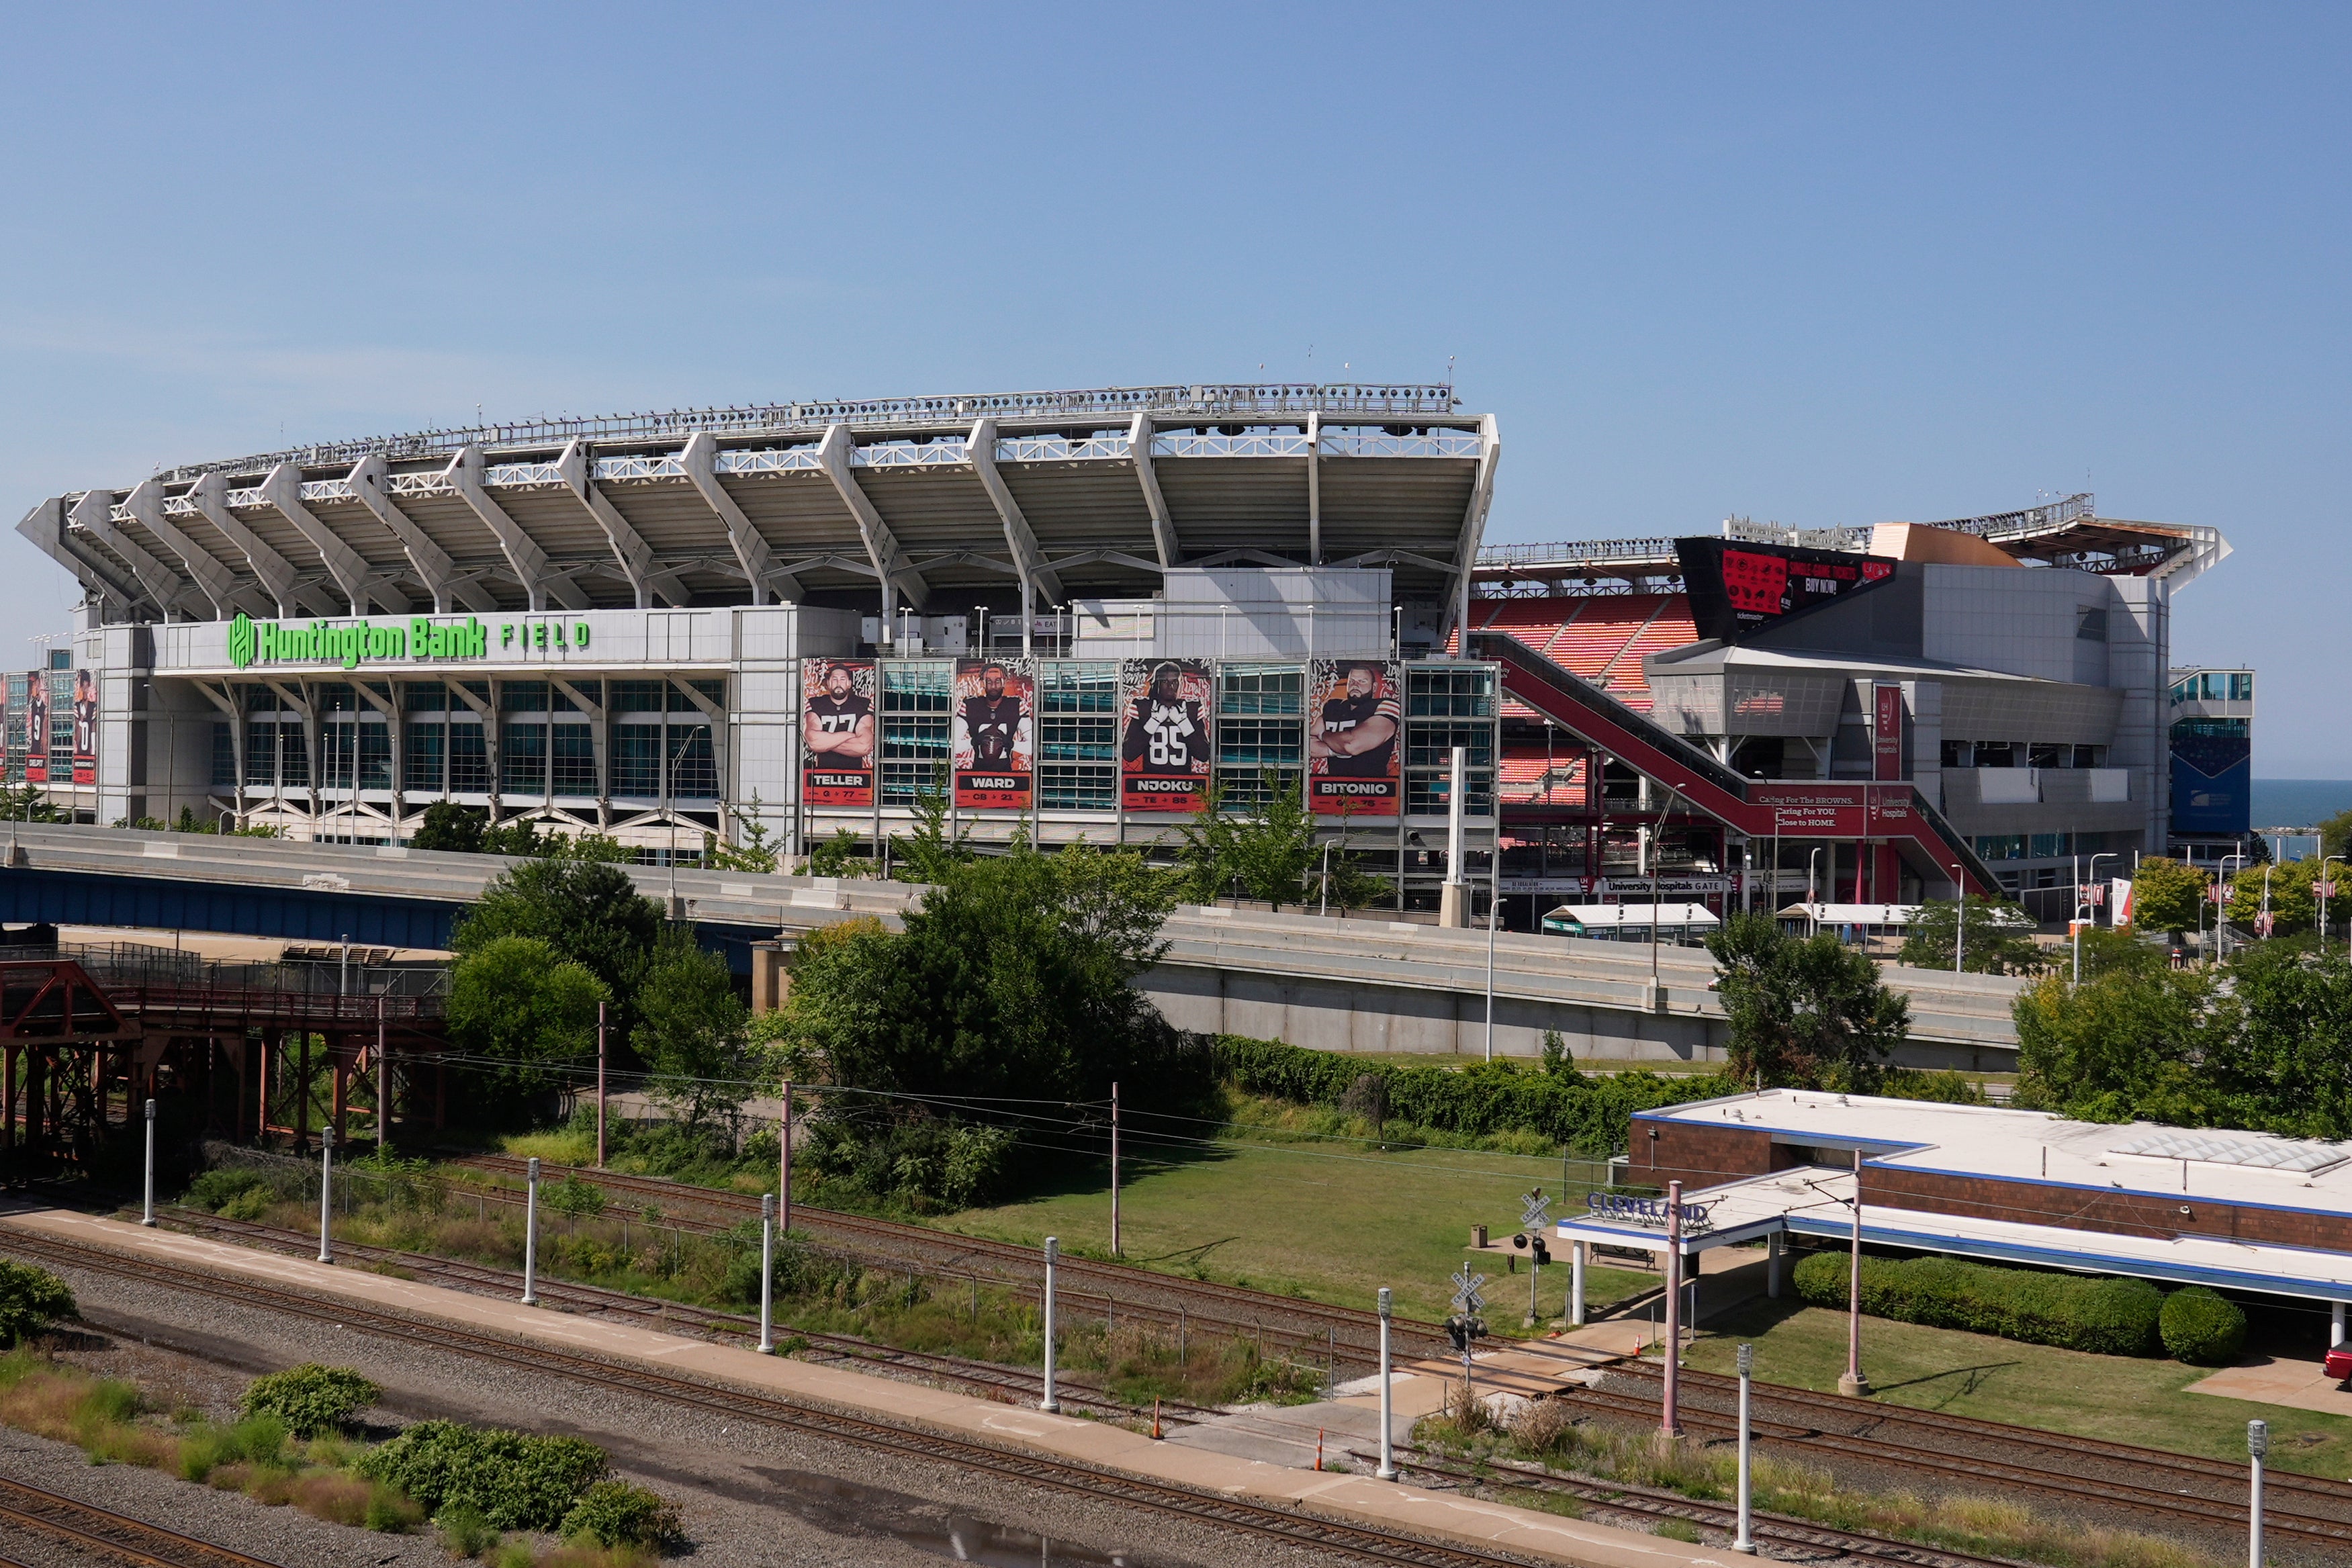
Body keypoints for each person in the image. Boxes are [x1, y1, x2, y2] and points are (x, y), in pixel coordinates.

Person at [1310, 662, 1399, 777]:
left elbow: (1351, 744)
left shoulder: (1386, 706)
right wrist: (1335, 749)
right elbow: (1309, 745)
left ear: (1374, 687)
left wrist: (1323, 736)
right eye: (1352, 681)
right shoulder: (1333, 707)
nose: (1355, 685)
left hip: (1373, 787)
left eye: (1362, 681)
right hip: (1333, 785)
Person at [1121, 661, 1205, 776]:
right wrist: (1153, 722)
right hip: (1149, 783)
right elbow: (1129, 754)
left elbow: (1204, 755)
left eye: (1174, 681)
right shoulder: (1144, 708)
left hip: (1184, 783)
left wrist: (1184, 723)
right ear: (1156, 684)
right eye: (1165, 681)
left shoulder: (1191, 709)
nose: (1171, 686)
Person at [956, 663, 1028, 770]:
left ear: (1004, 682)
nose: (993, 686)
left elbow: (1032, 746)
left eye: (998, 681)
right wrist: (974, 741)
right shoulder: (971, 705)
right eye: (989, 681)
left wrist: (1010, 744)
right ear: (983, 683)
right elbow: (954, 745)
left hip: (1006, 775)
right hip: (976, 774)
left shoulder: (1016, 705)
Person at [801, 663, 874, 764]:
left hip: (856, 775)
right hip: (822, 772)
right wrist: (849, 735)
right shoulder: (816, 704)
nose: (838, 683)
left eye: (842, 679)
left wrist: (825, 744)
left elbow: (864, 747)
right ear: (829, 683)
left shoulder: (863, 704)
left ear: (849, 683)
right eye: (834, 679)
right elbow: (813, 742)